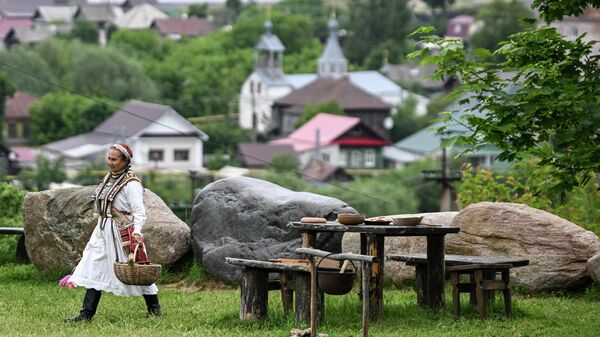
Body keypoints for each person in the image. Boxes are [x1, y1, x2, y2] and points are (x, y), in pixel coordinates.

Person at [64, 143, 160, 323]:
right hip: (103, 230)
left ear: (125, 161)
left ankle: (154, 309)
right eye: (108, 158)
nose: (110, 162)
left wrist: (137, 232)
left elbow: (139, 212)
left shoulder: (131, 184)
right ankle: (86, 315)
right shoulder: (109, 179)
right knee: (94, 267)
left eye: (114, 159)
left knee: (137, 271)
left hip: (121, 233)